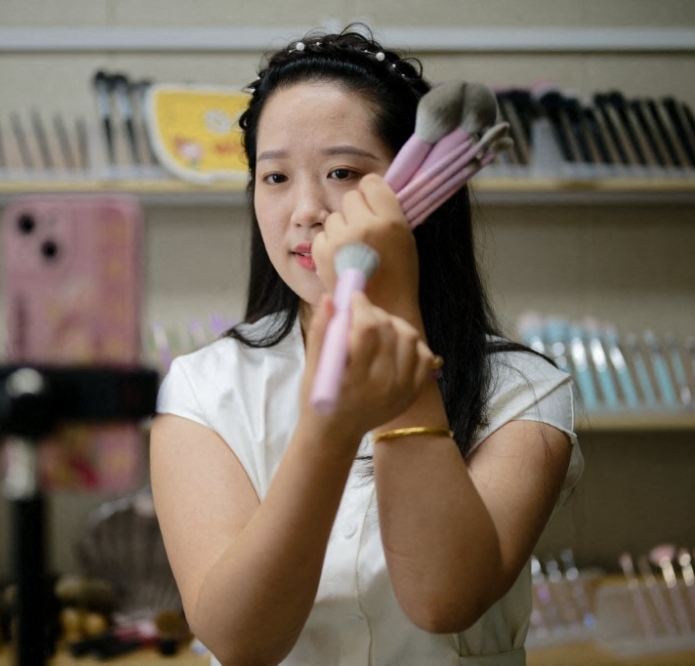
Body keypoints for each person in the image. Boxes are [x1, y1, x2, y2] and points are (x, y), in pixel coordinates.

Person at [150, 26, 583, 665]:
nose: (306, 208)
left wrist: (393, 313)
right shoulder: (202, 389)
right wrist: (329, 429)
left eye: (343, 172)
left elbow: (444, 599)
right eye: (274, 178)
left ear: (422, 184)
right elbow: (239, 640)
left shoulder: (524, 391)